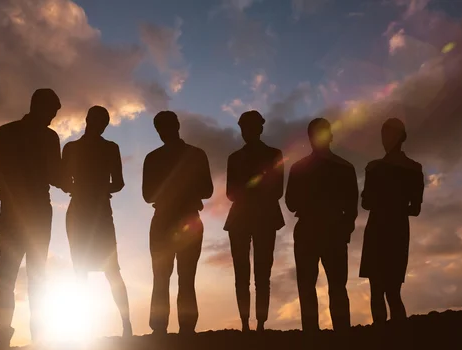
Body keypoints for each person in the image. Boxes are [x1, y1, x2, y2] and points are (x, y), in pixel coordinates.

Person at [0, 88, 64, 349]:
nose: (53, 118)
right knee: (35, 276)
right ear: (40, 107)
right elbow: (56, 177)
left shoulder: (4, 132)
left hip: (14, 211)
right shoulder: (49, 137)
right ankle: (37, 338)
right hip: (36, 213)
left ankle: (5, 338)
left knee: (8, 278)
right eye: (52, 112)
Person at [62, 106, 132, 337]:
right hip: (82, 212)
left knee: (111, 269)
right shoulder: (72, 148)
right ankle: (87, 328)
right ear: (88, 120)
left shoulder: (109, 148)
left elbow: (119, 182)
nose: (100, 126)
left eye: (104, 123)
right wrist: (92, 189)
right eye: (98, 121)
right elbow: (64, 182)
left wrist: (96, 189)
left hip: (99, 212)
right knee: (83, 270)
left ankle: (126, 324)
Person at [143, 111, 213, 335]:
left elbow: (208, 190)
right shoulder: (192, 155)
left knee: (179, 276)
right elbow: (148, 195)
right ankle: (169, 328)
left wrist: (172, 190)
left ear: (175, 126)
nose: (163, 132)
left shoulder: (188, 155)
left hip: (179, 220)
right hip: (175, 220)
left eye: (164, 127)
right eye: (159, 128)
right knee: (169, 276)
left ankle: (178, 328)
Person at [285, 118, 358, 332]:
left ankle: (315, 335)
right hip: (329, 230)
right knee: (333, 287)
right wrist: (345, 228)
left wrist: (345, 228)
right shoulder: (344, 167)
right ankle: (339, 333)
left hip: (316, 230)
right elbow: (352, 207)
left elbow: (291, 203)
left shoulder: (300, 168)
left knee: (315, 287)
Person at [224, 111, 285, 333]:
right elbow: (231, 192)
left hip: (263, 217)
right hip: (243, 218)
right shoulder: (235, 157)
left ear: (260, 128)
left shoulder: (274, 154)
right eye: (243, 128)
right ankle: (245, 323)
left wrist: (249, 193)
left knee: (262, 272)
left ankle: (259, 322)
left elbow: (277, 189)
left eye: (250, 127)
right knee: (242, 272)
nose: (246, 132)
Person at [360, 118, 424, 324]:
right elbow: (414, 209)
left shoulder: (373, 168)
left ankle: (386, 337)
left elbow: (366, 203)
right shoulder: (414, 168)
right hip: (396, 229)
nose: (384, 139)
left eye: (387, 134)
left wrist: (383, 201)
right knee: (390, 292)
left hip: (379, 228)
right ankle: (395, 337)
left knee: (380, 291)